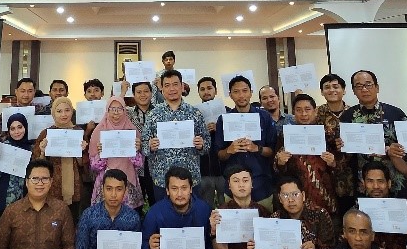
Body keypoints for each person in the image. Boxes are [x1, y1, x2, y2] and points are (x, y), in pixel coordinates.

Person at [339, 71, 407, 197]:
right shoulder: (347, 117)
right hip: (363, 186)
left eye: (368, 84)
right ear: (354, 91)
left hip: (396, 184)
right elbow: (344, 159)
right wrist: (340, 146)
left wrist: (393, 152)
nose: (364, 89)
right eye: (359, 86)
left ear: (377, 88)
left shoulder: (396, 114)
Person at [141, 70, 210, 199]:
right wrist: (150, 146)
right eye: (167, 85)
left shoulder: (194, 113)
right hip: (162, 180)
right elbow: (143, 145)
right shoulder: (153, 115)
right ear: (161, 89)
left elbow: (207, 143)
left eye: (175, 84)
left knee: (192, 211)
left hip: (190, 179)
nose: (171, 89)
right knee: (164, 212)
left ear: (182, 86)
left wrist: (201, 145)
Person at [274, 93, 342, 217]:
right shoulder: (285, 136)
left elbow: (340, 164)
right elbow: (276, 168)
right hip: (295, 195)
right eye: (299, 110)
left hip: (324, 193)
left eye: (307, 109)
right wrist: (280, 162)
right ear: (293, 113)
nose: (304, 114)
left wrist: (333, 162)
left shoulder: (327, 135)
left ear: (315, 111)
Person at [214, 75, 276, 207]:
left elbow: (272, 151)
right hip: (233, 187)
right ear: (230, 95)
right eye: (236, 92)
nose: (241, 95)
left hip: (261, 185)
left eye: (245, 90)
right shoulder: (224, 119)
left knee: (264, 218)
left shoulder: (264, 117)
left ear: (251, 93)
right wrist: (229, 150)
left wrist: (257, 148)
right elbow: (219, 154)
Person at [87, 96, 144, 208]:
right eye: (112, 109)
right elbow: (94, 167)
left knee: (127, 215)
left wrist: (136, 150)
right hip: (106, 182)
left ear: (124, 110)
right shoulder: (99, 131)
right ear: (107, 111)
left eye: (119, 109)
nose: (116, 112)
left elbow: (139, 164)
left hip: (128, 181)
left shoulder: (132, 130)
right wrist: (101, 154)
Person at [33, 96, 88, 211]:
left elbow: (86, 165)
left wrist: (81, 152)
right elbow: (36, 164)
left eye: (67, 110)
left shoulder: (79, 132)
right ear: (53, 113)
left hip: (75, 186)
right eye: (59, 111)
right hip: (53, 186)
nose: (63, 114)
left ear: (72, 111)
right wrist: (42, 151)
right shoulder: (46, 133)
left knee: (72, 217)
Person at [0, 112, 34, 232]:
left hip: (25, 198)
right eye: (12, 129)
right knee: (3, 234)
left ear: (25, 127)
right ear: (8, 131)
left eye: (20, 127)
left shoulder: (31, 148)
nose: (17, 132)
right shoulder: (3, 147)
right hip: (3, 199)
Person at [317, 74, 356, 214]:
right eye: (327, 87)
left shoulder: (354, 113)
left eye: (336, 86)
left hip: (351, 175)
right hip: (325, 174)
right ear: (322, 92)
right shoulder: (316, 114)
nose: (331, 90)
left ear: (344, 90)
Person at [360, 160, 407, 249]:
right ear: (364, 184)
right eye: (370, 181)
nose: (376, 186)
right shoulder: (357, 212)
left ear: (389, 183)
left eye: (380, 181)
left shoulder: (405, 210)